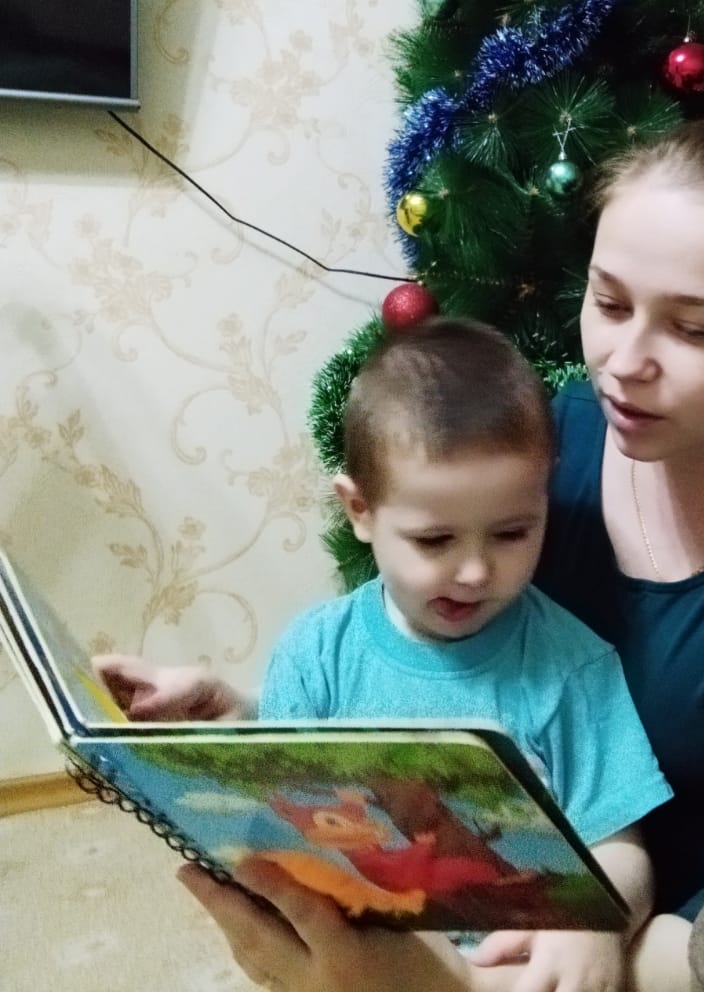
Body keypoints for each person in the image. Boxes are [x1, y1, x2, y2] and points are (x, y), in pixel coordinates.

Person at [97, 115, 704, 992]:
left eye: (695, 330)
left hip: (691, 948)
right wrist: (251, 723)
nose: (623, 363)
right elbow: (480, 679)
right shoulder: (568, 436)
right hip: (517, 912)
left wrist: (458, 984)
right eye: (609, 303)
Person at [100, 316, 672, 992]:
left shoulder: (572, 667)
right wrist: (212, 737)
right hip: (360, 959)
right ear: (360, 510)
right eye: (435, 540)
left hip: (510, 971)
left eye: (512, 533)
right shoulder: (317, 652)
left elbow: (623, 848)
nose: (475, 572)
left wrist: (597, 924)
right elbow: (278, 804)